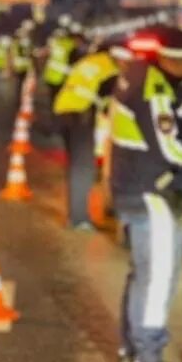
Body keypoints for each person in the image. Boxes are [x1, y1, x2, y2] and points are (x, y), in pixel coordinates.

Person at [109, 24, 182, 362]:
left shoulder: (136, 77)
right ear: (171, 59)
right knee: (157, 281)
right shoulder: (153, 89)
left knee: (142, 275)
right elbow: (168, 148)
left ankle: (132, 353)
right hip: (156, 193)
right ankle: (149, 359)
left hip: (137, 188)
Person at [53, 37, 128, 231]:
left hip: (63, 110)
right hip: (81, 115)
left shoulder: (91, 61)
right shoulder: (111, 72)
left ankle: (77, 215)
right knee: (83, 168)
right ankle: (79, 219)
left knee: (77, 165)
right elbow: (110, 105)